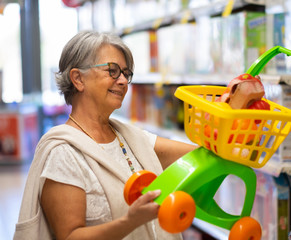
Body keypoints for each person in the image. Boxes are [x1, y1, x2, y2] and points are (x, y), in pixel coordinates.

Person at [14, 31, 197, 240]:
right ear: (78, 79)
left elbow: (199, 155)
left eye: (126, 74)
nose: (123, 81)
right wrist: (130, 222)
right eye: (113, 71)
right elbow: (71, 236)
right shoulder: (63, 152)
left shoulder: (129, 137)